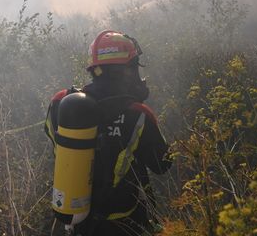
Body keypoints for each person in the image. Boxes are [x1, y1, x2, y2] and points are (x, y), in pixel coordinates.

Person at [45, 30, 172, 235]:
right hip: (124, 223)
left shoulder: (61, 103)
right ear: (128, 70)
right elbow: (162, 164)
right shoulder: (138, 114)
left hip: (76, 218)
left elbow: (54, 138)